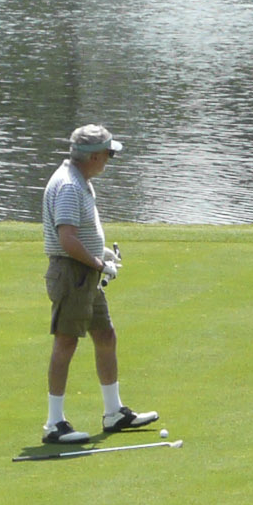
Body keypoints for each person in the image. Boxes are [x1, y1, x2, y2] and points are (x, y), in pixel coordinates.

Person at [40, 123, 158, 444]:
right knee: (66, 342)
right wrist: (99, 263)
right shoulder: (69, 186)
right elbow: (67, 239)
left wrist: (99, 252)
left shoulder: (80, 181)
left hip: (84, 272)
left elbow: (77, 235)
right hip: (72, 274)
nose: (109, 159)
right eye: (108, 154)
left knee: (105, 335)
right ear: (93, 157)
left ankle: (114, 412)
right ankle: (54, 423)